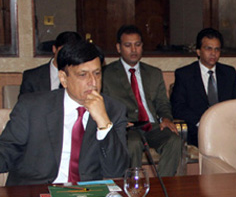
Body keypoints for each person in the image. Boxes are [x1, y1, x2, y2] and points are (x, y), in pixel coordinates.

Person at [0, 41, 128, 186]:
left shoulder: (114, 110)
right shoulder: (32, 107)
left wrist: (104, 123)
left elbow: (117, 171)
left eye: (97, 73)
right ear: (63, 78)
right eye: (83, 75)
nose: (93, 82)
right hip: (35, 193)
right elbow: (7, 152)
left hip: (87, 195)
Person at [102, 25, 180, 177]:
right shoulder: (107, 74)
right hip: (126, 127)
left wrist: (166, 118)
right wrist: (119, 121)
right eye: (128, 45)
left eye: (137, 45)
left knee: (174, 141)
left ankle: (162, 188)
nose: (133, 50)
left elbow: (162, 103)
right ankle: (133, 187)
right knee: (133, 143)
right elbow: (105, 106)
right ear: (118, 48)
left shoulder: (153, 73)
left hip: (151, 126)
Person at [170, 28, 236, 146]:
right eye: (208, 48)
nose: (213, 53)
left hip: (227, 128)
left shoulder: (229, 73)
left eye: (217, 49)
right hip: (198, 129)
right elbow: (178, 107)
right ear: (198, 51)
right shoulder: (184, 74)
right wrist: (203, 122)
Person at [20, 31, 83, 95]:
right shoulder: (32, 77)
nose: (68, 56)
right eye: (64, 51)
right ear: (54, 49)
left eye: (73, 53)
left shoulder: (84, 77)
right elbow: (25, 103)